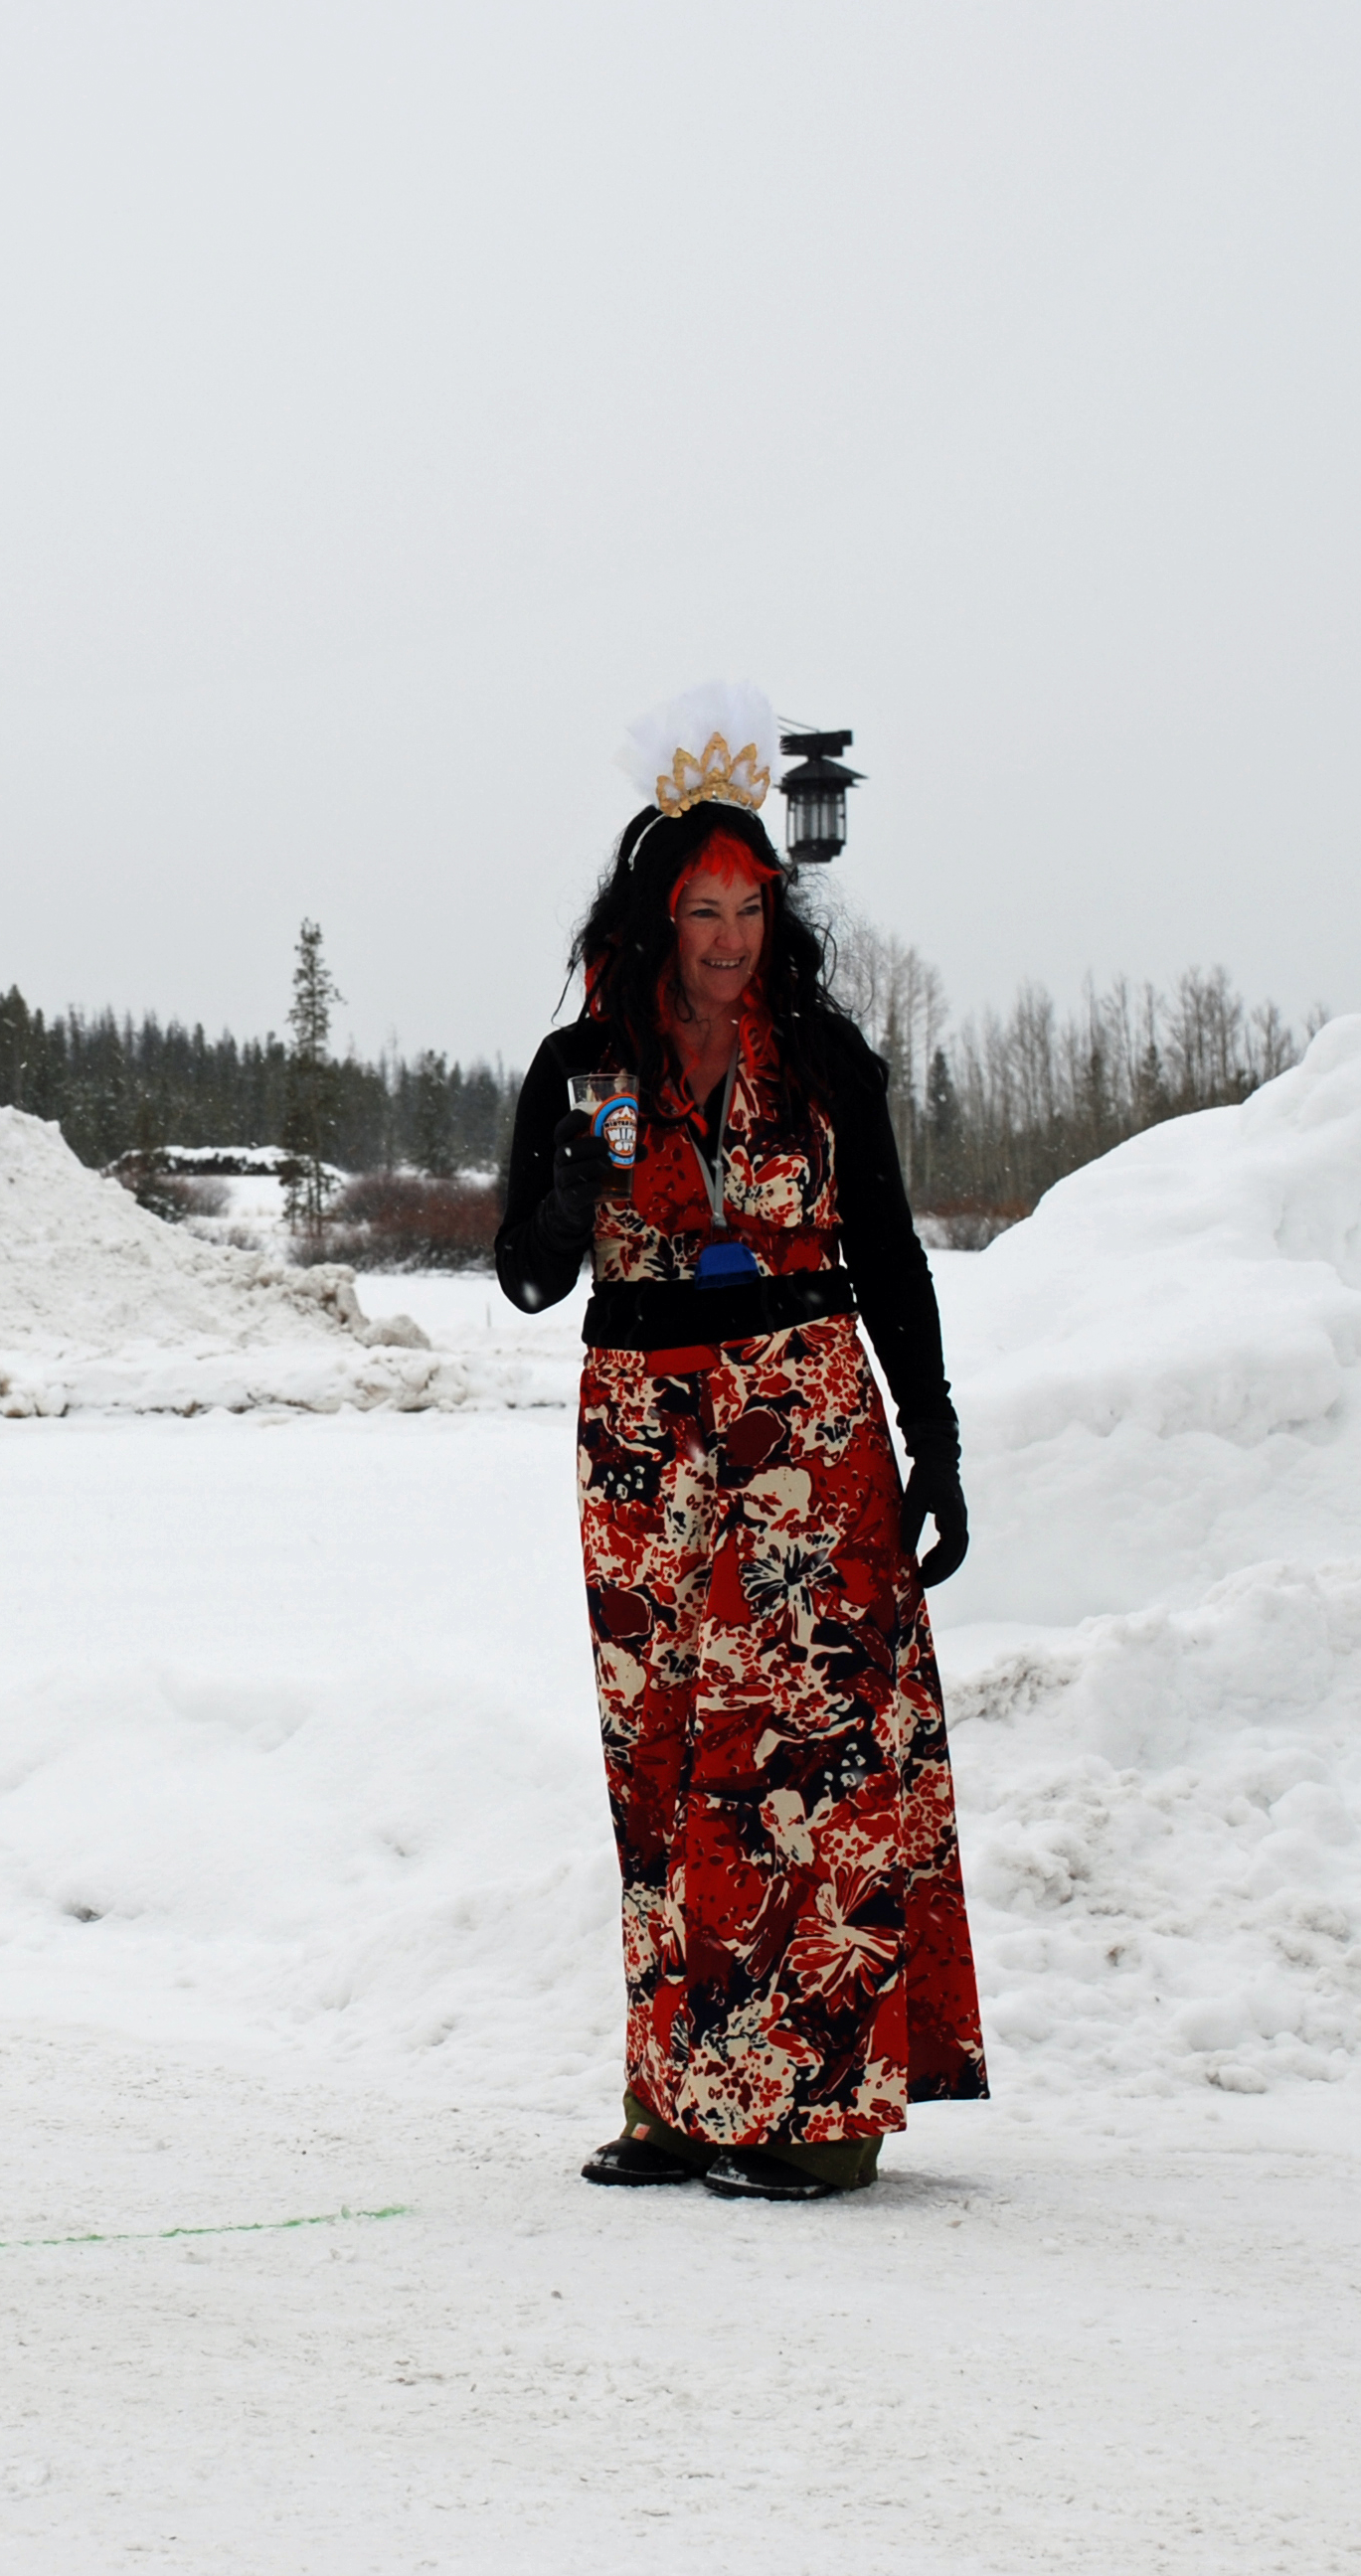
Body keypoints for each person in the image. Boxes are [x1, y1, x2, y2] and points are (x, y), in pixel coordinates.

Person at [495, 684, 987, 2201]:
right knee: (663, 1758)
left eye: (751, 908)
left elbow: (894, 1258)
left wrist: (938, 1437)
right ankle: (683, 2101)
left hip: (807, 1423)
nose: (728, 937)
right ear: (651, 917)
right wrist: (576, 1182)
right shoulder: (579, 1067)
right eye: (701, 910)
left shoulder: (829, 1060)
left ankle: (825, 2114)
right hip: (646, 1438)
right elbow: (526, 1274)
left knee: (809, 1755)